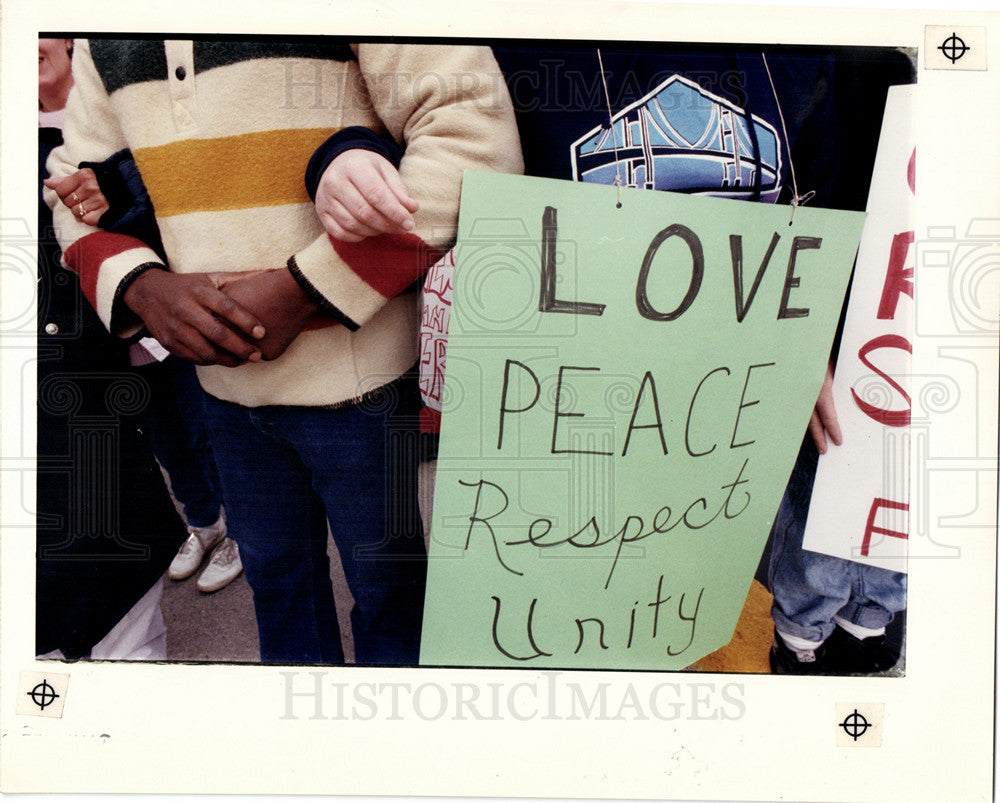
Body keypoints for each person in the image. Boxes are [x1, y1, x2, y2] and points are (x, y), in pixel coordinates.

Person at [310, 42, 913, 674]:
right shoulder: (525, 46)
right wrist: (347, 155)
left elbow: (825, 194)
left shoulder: (795, 51)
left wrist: (814, 331)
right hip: (582, 418)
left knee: (693, 601)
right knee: (583, 631)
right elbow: (434, 123)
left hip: (728, 414)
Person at [46, 39, 523, 664]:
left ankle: (399, 755)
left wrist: (310, 289)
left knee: (393, 599)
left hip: (364, 386)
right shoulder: (106, 33)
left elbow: (473, 136)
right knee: (278, 593)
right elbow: (69, 186)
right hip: (222, 393)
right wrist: (141, 286)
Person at [37, 38, 187, 659]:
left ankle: (210, 526)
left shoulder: (103, 117)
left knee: (119, 637)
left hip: (93, 387)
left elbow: (158, 202)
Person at [46, 152, 243, 594]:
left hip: (165, 306)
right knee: (165, 440)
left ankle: (238, 536)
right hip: (114, 328)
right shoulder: (38, 145)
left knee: (203, 431)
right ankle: (204, 522)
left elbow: (155, 204)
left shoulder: (95, 126)